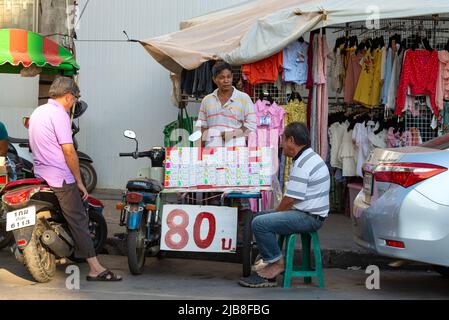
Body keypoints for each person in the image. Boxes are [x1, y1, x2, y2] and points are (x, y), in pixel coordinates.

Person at [29, 77, 122, 282]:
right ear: (69, 96)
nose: (73, 104)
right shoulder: (59, 114)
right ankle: (95, 268)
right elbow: (69, 151)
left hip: (40, 175)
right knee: (79, 219)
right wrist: (79, 181)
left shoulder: (38, 112)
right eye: (74, 99)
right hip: (59, 177)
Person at [239, 122, 330, 288]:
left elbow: (289, 200)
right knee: (260, 217)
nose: (281, 144)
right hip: (307, 213)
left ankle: (276, 264)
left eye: (283, 140)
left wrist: (275, 212)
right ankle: (268, 258)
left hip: (309, 217)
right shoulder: (308, 157)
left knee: (260, 223)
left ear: (291, 140)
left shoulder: (303, 164)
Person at [195, 61, 257, 147]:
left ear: (232, 77)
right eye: (222, 77)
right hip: (211, 152)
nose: (226, 80)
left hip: (236, 152)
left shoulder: (244, 98)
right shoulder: (207, 100)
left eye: (229, 77)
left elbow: (252, 125)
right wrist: (199, 151)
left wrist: (233, 134)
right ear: (214, 79)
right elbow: (201, 127)